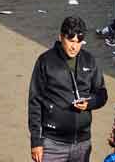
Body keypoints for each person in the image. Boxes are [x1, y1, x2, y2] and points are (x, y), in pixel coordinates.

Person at [28, 15, 108, 162]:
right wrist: (36, 142)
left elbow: (102, 94)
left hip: (82, 143)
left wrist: (89, 103)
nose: (74, 46)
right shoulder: (45, 61)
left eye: (79, 42)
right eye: (71, 41)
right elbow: (35, 101)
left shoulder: (89, 60)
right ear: (61, 37)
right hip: (52, 143)